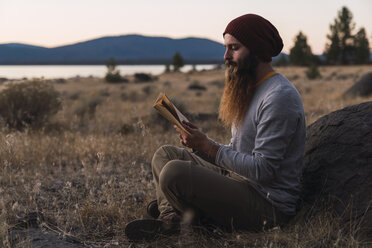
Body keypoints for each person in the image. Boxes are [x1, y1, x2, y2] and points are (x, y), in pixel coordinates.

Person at [125, 13, 306, 241]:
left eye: (234, 48)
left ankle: (185, 216)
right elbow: (237, 150)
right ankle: (172, 219)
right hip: (240, 181)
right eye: (226, 47)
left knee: (174, 173)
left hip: (267, 205)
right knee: (165, 155)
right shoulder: (251, 89)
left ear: (257, 50)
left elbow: (264, 170)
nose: (226, 56)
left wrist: (210, 147)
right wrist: (199, 145)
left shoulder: (278, 97)